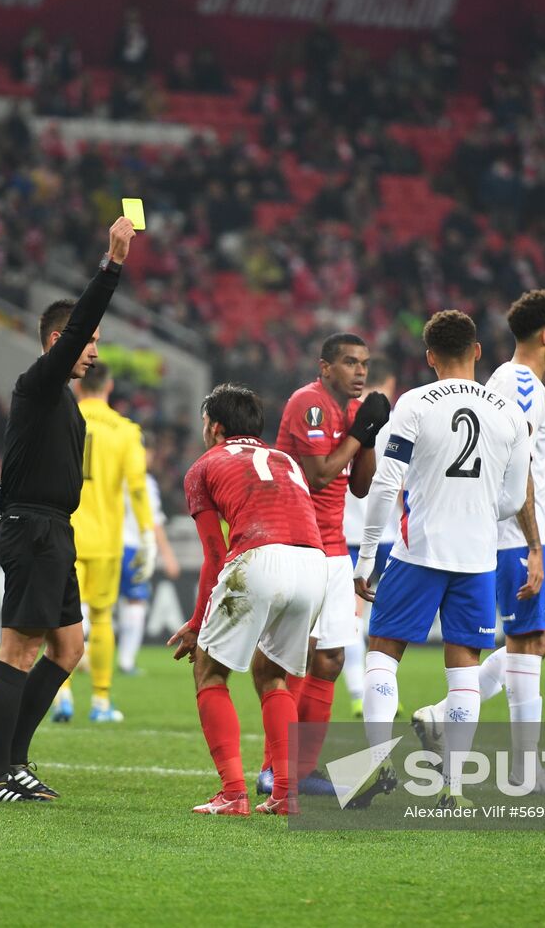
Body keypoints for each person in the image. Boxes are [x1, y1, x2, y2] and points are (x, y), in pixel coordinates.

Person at [0, 216, 136, 803]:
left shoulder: (62, 399)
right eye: (87, 341)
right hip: (31, 530)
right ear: (58, 342)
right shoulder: (38, 383)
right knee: (17, 650)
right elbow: (77, 332)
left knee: (69, 648)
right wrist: (111, 265)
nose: (93, 352)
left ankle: (13, 762)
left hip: (55, 532)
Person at [350, 310, 535, 810]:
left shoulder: (413, 404)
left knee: (382, 655)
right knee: (463, 673)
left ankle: (376, 761)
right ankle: (453, 787)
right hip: (477, 558)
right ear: (477, 351)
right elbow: (515, 496)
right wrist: (473, 511)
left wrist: (367, 559)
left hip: (418, 551)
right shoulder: (508, 412)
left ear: (429, 357)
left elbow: (386, 484)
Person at [412, 290, 545, 793]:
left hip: (522, 532)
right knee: (529, 642)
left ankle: (442, 718)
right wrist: (532, 543)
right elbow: (513, 460)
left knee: (535, 642)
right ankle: (525, 771)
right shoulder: (519, 382)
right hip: (509, 536)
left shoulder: (522, 382)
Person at [168, 385, 327, 816]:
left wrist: (198, 622)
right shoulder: (286, 460)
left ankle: (233, 793)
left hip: (258, 558)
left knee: (209, 671)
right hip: (315, 565)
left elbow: (215, 555)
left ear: (216, 428)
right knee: (273, 675)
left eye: (205, 424)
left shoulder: (205, 466)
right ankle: (285, 795)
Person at [256, 333, 391, 795]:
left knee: (331, 659)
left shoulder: (354, 412)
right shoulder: (308, 403)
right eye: (350, 363)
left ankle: (304, 770)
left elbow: (360, 486)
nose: (360, 372)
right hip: (295, 542)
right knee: (295, 659)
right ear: (325, 367)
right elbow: (318, 475)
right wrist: (358, 434)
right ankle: (274, 768)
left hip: (334, 549)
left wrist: (369, 435)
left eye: (365, 364)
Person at [53, 361, 154, 723]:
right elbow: (138, 489)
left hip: (64, 534)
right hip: (107, 541)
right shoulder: (126, 431)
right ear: (108, 387)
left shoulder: (60, 419)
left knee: (59, 618)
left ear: (80, 386)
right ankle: (100, 701)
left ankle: (61, 695)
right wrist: (146, 535)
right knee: (101, 620)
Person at [341, 356, 400, 717]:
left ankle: (360, 693)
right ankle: (376, 693)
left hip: (348, 533)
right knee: (386, 620)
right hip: (386, 536)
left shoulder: (343, 418)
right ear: (387, 385)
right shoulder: (395, 422)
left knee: (351, 618)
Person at [115, 448, 179, 676]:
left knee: (96, 604)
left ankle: (84, 654)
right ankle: (126, 661)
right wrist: (168, 556)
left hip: (107, 546)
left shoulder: (111, 474)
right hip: (134, 550)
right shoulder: (144, 482)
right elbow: (153, 523)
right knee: (135, 603)